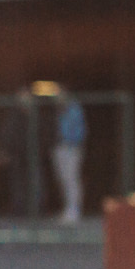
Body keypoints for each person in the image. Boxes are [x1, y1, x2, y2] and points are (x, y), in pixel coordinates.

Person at [51, 89, 87, 224]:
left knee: (72, 178)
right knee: (62, 179)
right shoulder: (57, 111)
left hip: (72, 147)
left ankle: (74, 209)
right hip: (59, 147)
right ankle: (67, 208)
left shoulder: (74, 109)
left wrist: (72, 141)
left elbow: (80, 130)